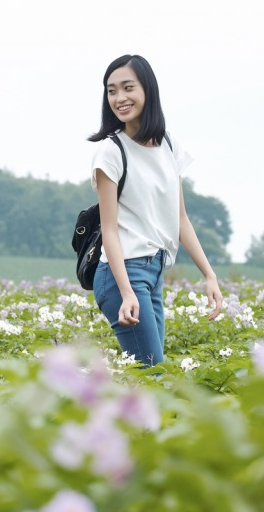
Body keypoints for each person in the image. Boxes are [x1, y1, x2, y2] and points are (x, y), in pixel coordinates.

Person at [88, 54, 223, 367]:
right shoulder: (111, 151)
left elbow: (180, 219)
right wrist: (126, 292)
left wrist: (209, 275)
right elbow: (109, 229)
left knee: (149, 375)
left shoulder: (169, 145)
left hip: (155, 271)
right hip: (122, 273)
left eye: (127, 88)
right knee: (152, 375)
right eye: (111, 91)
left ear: (147, 90)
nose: (119, 98)